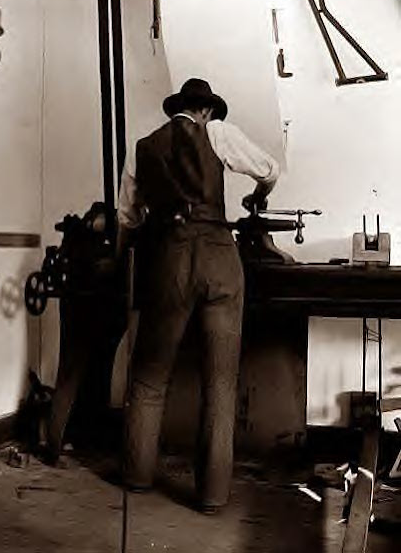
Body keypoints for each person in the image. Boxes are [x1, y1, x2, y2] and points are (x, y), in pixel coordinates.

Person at [116, 78, 280, 511]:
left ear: (179, 110)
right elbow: (270, 168)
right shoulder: (219, 134)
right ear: (206, 110)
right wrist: (257, 195)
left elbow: (127, 218)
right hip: (220, 261)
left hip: (170, 261)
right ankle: (211, 496)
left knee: (150, 376)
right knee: (221, 384)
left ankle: (136, 475)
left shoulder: (144, 146)